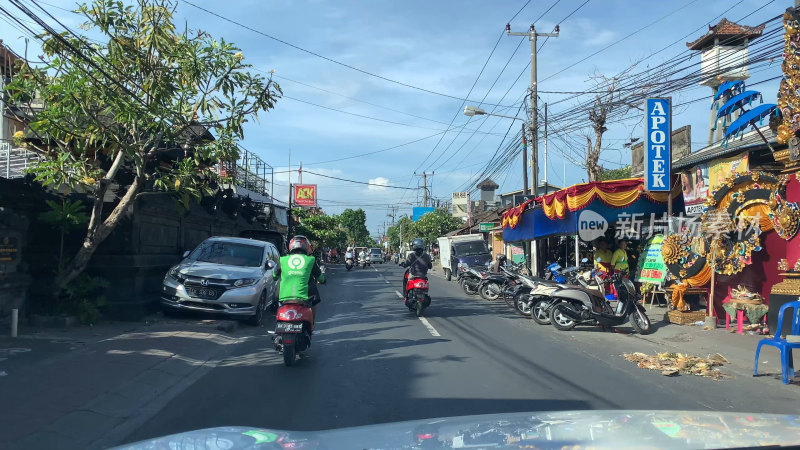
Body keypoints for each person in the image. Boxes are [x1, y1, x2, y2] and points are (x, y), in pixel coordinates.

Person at [273, 235, 326, 318]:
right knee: (314, 300)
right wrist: (323, 281)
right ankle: (311, 325)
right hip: (304, 298)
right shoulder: (311, 260)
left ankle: (278, 318)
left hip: (283, 297)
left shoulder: (282, 260)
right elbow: (319, 277)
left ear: (291, 246)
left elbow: (274, 276)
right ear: (307, 247)